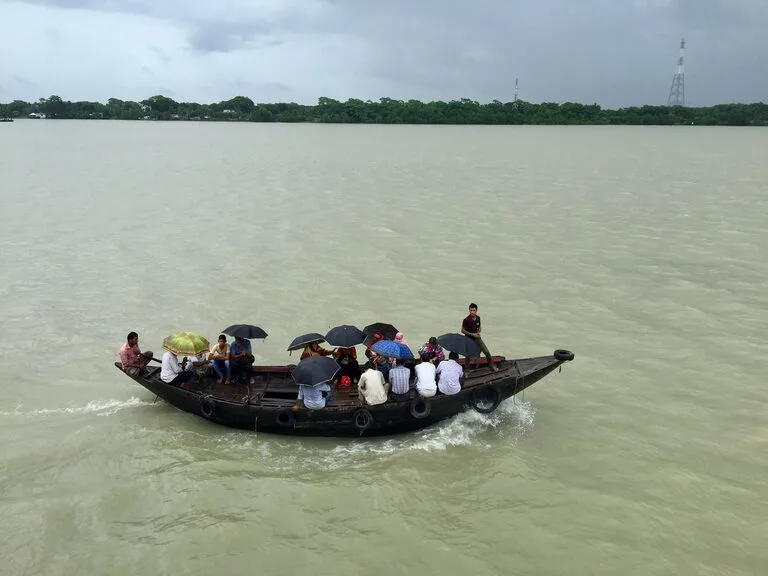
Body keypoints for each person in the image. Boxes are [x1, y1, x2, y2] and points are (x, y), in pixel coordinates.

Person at [461, 302, 498, 372]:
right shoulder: (466, 320)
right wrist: (472, 334)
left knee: (486, 352)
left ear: (476, 310)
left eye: (473, 310)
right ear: (469, 310)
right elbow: (462, 330)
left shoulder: (478, 318)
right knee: (468, 356)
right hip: (468, 339)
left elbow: (479, 327)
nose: (472, 312)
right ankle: (466, 370)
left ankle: (491, 366)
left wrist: (479, 332)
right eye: (470, 310)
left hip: (477, 338)